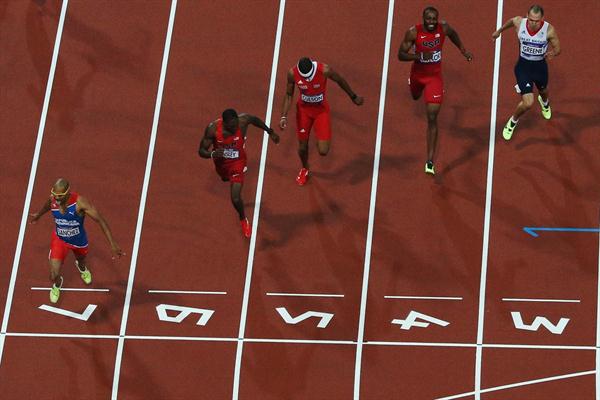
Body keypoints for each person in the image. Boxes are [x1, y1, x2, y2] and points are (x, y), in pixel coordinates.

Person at [398, 6, 473, 175]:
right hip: (418, 75)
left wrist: (463, 50)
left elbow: (453, 35)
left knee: (432, 117)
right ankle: (414, 85)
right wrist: (419, 57)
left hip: (434, 78)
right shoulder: (413, 33)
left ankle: (430, 160)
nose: (431, 22)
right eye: (428, 19)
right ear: (423, 18)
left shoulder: (443, 28)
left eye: (434, 19)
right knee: (415, 96)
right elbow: (400, 54)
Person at [29, 178, 124, 303]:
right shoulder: (53, 199)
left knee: (81, 262)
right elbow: (47, 206)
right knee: (53, 274)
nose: (56, 198)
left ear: (68, 193)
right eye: (54, 194)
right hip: (60, 240)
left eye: (59, 196)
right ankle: (57, 285)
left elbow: (100, 220)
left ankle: (82, 269)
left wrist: (113, 243)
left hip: (78, 241)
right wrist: (38, 215)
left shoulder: (80, 203)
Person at [279, 57, 364, 185]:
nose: (307, 79)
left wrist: (353, 96)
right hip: (304, 111)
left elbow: (340, 80)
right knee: (302, 147)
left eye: (309, 76)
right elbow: (289, 94)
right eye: (304, 77)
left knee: (323, 151)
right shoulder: (292, 73)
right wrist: (283, 116)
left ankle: (321, 134)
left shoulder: (324, 70)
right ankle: (305, 169)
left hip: (321, 111)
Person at [198, 109, 279, 238]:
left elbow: (254, 120)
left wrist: (270, 131)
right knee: (224, 179)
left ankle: (243, 219)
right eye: (232, 125)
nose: (235, 127)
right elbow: (201, 151)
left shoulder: (242, 122)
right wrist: (212, 154)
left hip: (238, 162)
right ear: (224, 123)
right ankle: (226, 176)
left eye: (236, 124)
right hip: (221, 164)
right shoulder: (212, 129)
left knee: (235, 197)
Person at [493, 4, 560, 140]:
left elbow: (558, 48)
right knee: (528, 102)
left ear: (542, 19)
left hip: (540, 68)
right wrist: (499, 31)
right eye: (531, 19)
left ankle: (545, 103)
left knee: (544, 91)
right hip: (523, 67)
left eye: (537, 20)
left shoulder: (549, 30)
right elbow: (511, 21)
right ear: (527, 16)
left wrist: (553, 53)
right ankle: (513, 121)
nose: (533, 23)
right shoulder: (519, 22)